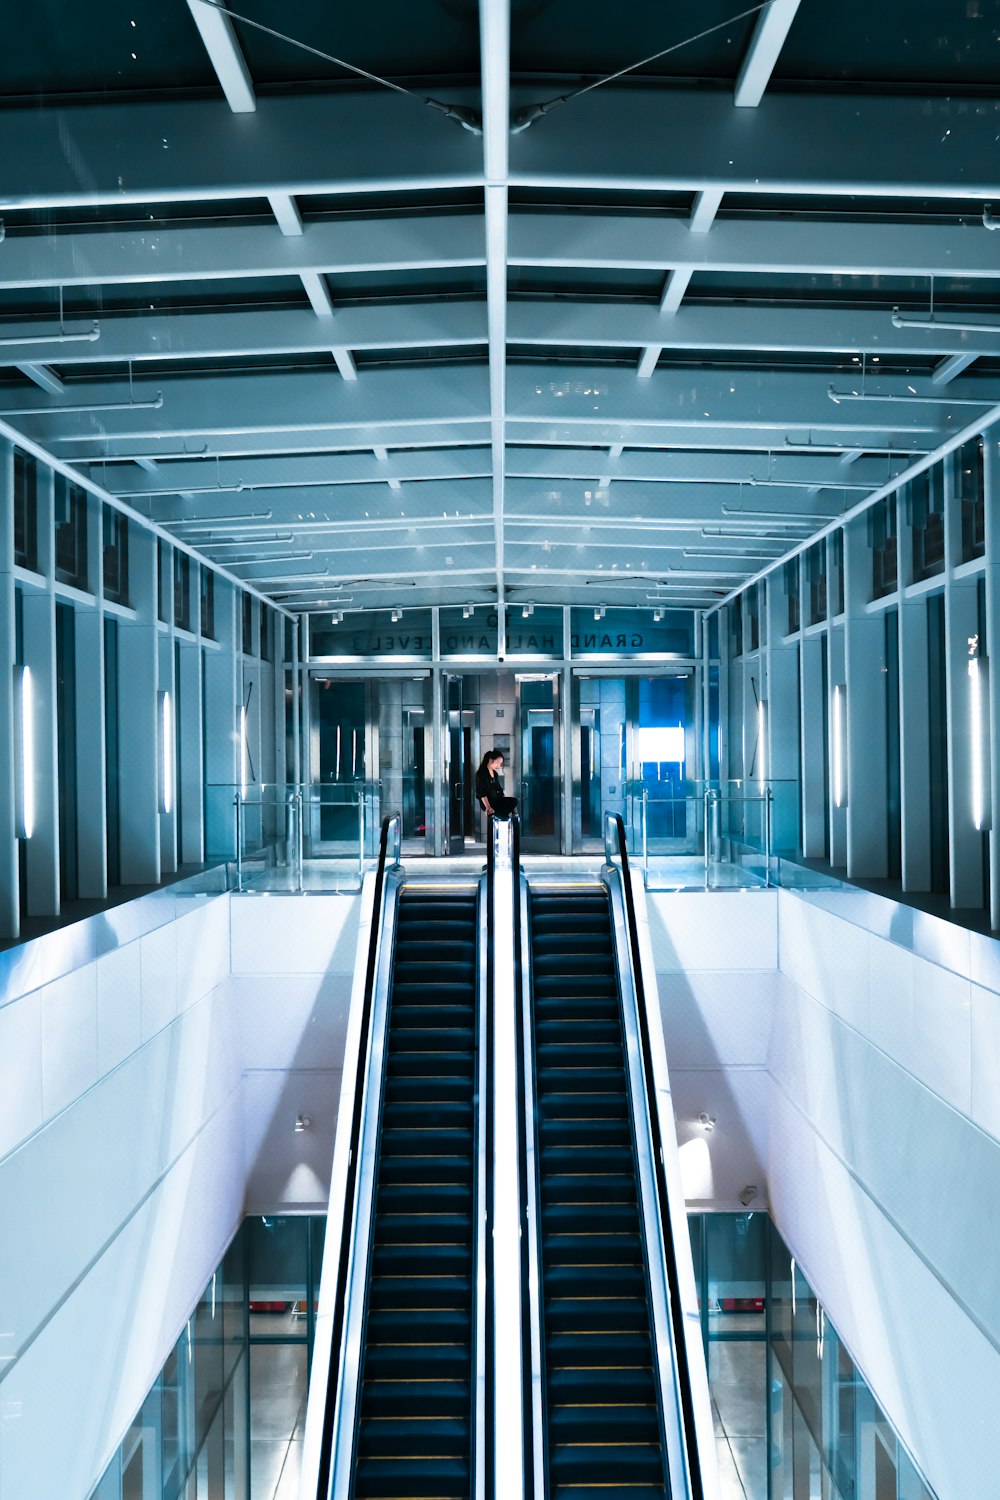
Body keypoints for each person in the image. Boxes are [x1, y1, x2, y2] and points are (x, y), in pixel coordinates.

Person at [475, 749, 518, 818]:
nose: (499, 765)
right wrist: (488, 807)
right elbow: (481, 793)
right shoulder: (481, 774)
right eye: (498, 762)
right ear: (491, 760)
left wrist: (504, 799)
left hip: (497, 800)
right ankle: (498, 816)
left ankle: (502, 816)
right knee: (503, 816)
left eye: (500, 763)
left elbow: (499, 788)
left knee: (514, 801)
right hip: (488, 802)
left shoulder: (495, 773)